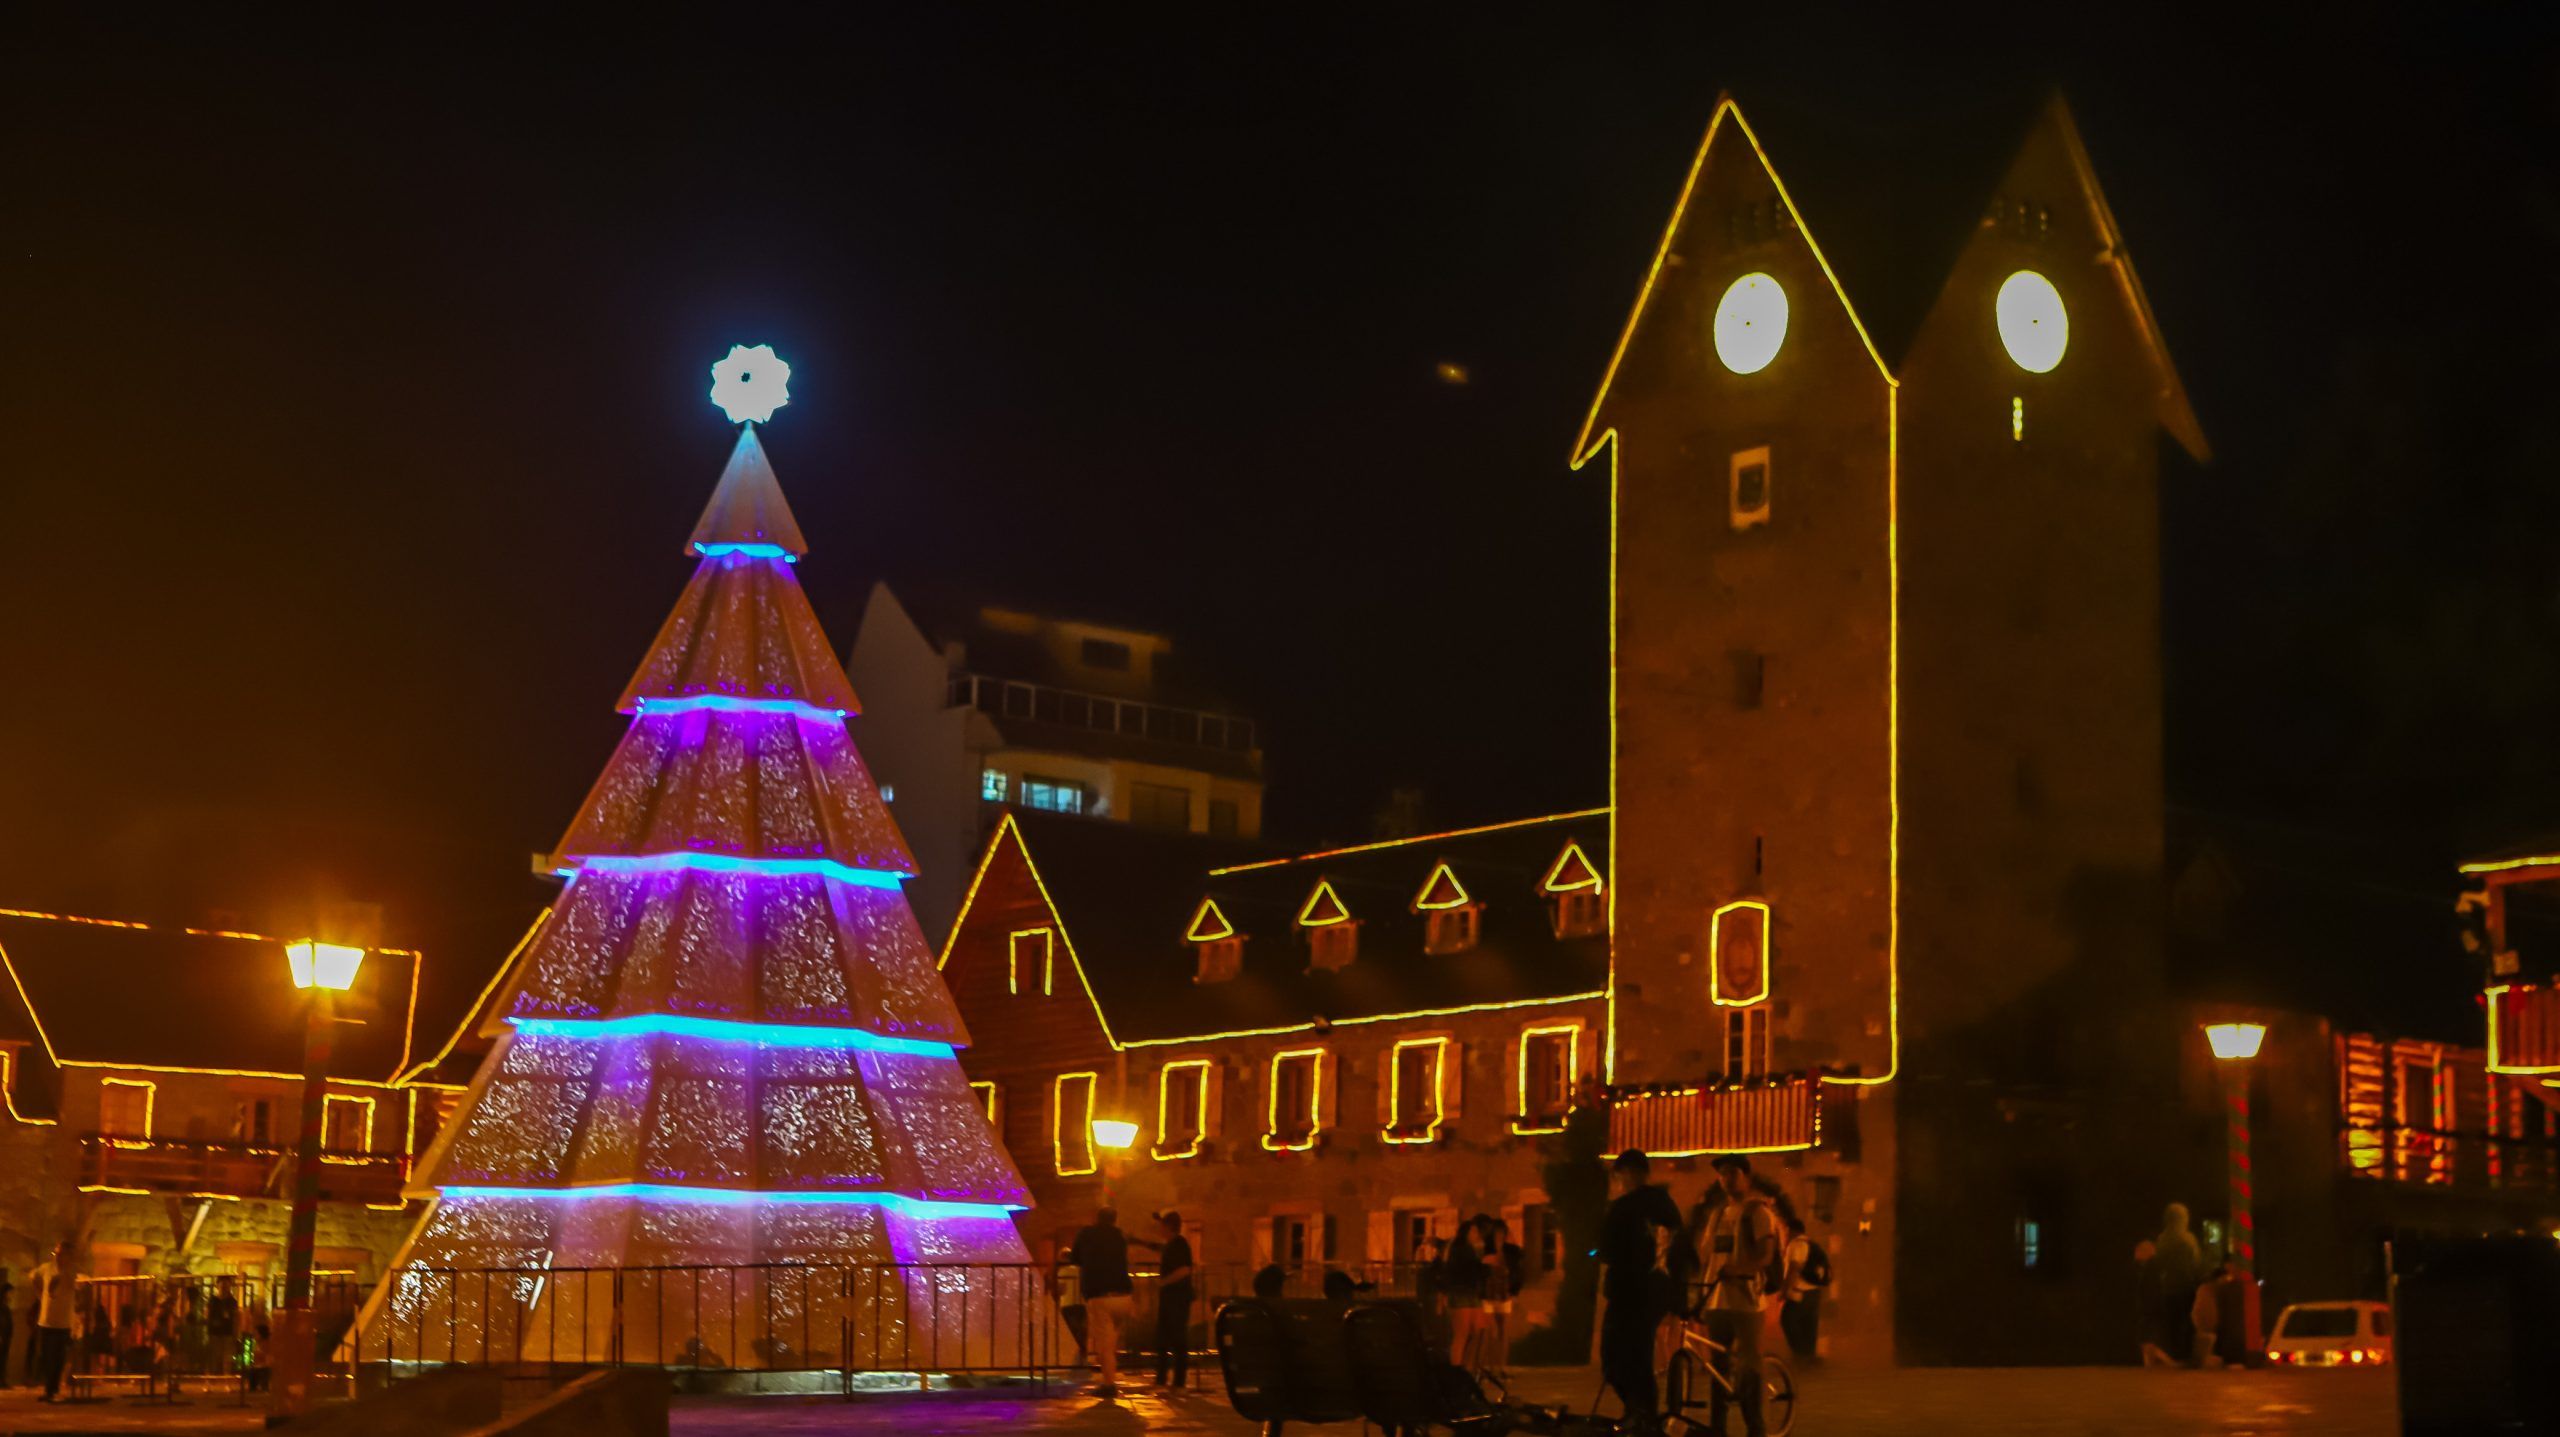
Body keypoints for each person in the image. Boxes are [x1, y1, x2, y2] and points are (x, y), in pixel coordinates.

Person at [1598, 1149, 1682, 1428]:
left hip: (1629, 1292)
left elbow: (1606, 1250)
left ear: (1628, 1173)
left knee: (1615, 1357)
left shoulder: (1623, 1208)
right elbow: (1679, 1249)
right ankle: (1642, 1414)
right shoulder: (1667, 1205)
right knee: (1640, 1355)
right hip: (1658, 1290)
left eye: (1619, 1175)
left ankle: (1641, 1415)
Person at [1699, 1155, 1780, 1437]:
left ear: (1745, 1176)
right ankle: (1717, 1428)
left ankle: (1756, 1430)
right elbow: (1706, 1255)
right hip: (1716, 1300)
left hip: (1746, 1301)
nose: (1726, 1179)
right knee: (1717, 1369)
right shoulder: (1718, 1214)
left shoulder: (1758, 1213)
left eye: (1732, 1173)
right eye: (1722, 1174)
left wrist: (1739, 1269)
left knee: (1750, 1368)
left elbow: (1766, 1256)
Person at [1067, 1207, 1136, 1399]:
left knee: (1104, 1345)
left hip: (1100, 1296)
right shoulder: (1119, 1236)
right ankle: (1110, 1377)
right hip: (1124, 1295)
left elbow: (1075, 1259)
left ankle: (1108, 1384)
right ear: (1115, 1220)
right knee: (1112, 1342)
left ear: (1096, 1218)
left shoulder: (1087, 1234)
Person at [1140, 1211, 1194, 1388]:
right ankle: (1161, 1378)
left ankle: (1178, 1382)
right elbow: (1159, 1248)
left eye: (1162, 1225)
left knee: (1178, 1339)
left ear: (1169, 1226)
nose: (1159, 1229)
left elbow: (1185, 1270)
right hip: (1170, 1298)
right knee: (1163, 1338)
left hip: (1177, 1298)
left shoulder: (1180, 1244)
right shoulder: (1172, 1244)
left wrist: (1163, 1283)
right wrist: (1139, 1242)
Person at [1777, 1210, 1829, 1365]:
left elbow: (1794, 1269)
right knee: (1809, 1324)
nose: (1784, 1235)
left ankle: (1800, 1354)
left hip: (1800, 1293)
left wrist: (1785, 1291)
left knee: (1787, 1320)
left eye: (1785, 1231)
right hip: (1814, 1292)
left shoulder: (1796, 1244)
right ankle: (1809, 1357)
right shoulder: (1810, 1243)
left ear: (1791, 1230)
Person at [1480, 1216, 1524, 1378]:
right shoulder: (1486, 1251)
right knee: (1492, 1332)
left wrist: (1515, 1292)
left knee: (1504, 1332)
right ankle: (1492, 1367)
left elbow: (1518, 1271)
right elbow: (1481, 1275)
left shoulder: (1511, 1251)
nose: (1499, 1236)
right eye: (1497, 1233)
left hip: (1505, 1294)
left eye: (1502, 1233)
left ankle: (1502, 1367)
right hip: (1488, 1295)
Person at [30, 1240, 74, 1403]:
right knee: (47, 1356)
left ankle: (53, 1389)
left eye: (61, 1254)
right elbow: (33, 1276)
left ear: (69, 1256)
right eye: (55, 1254)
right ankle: (49, 1389)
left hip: (63, 1322)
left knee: (58, 1358)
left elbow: (81, 1285)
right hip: (46, 1321)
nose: (57, 1257)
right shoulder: (47, 1268)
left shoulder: (72, 1271)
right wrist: (40, 1294)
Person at [1442, 1219, 1487, 1368]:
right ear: (1466, 1232)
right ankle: (1458, 1369)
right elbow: (1463, 1270)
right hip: (1461, 1293)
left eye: (1476, 1231)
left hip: (1471, 1293)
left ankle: (1467, 1367)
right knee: (1462, 1334)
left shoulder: (1469, 1249)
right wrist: (1485, 1269)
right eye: (1473, 1231)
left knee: (1477, 1330)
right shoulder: (1459, 1249)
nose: (1476, 1234)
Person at [0, 1266, 14, 1388]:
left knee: (4, 1359)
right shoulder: (2, 1307)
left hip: (5, 1337)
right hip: (2, 1337)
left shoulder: (5, 1306)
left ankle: (2, 1381)